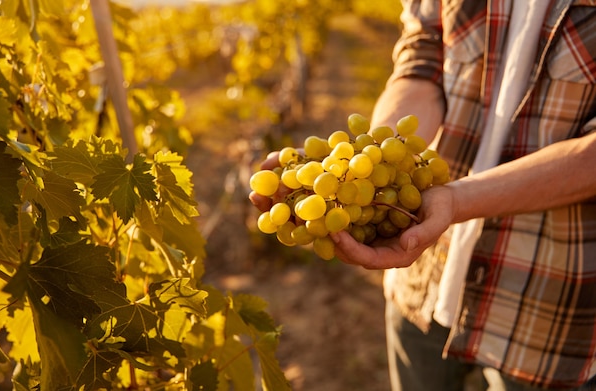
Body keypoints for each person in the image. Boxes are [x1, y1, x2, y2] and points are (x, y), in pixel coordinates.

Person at [251, 0, 596, 390]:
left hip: (546, 302)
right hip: (424, 270)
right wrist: (369, 158)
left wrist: (458, 200)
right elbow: (423, 55)